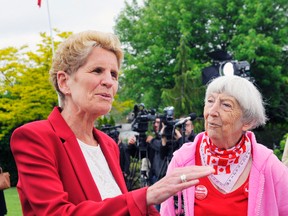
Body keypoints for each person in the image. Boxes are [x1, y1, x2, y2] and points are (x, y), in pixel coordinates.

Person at [10, 30, 215, 215]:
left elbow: (122, 207)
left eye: (114, 74)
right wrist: (148, 194)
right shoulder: (35, 138)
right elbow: (56, 213)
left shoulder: (108, 144)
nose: (109, 81)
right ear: (64, 82)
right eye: (97, 71)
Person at [161, 75, 288, 215]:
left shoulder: (268, 166)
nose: (212, 112)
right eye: (210, 101)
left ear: (247, 122)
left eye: (226, 105)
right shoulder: (182, 161)